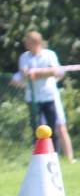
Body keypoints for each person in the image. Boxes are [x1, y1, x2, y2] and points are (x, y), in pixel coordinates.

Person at [12, 31, 75, 163]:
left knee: (52, 128)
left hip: (49, 96)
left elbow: (55, 71)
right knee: (37, 128)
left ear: (36, 43)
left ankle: (54, 156)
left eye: (29, 43)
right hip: (33, 98)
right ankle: (39, 158)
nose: (26, 45)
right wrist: (43, 72)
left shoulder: (49, 55)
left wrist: (37, 74)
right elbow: (25, 74)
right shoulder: (24, 57)